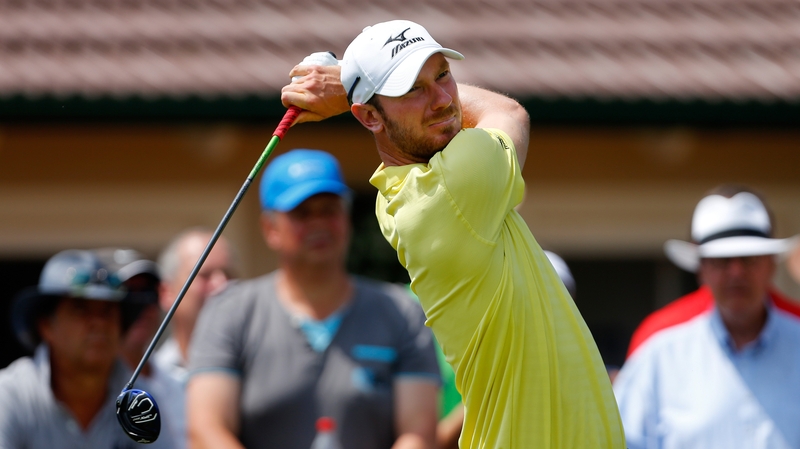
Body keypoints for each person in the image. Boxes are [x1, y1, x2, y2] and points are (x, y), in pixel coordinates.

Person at [280, 19, 624, 449]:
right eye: (413, 88)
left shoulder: (401, 191)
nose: (442, 99)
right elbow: (509, 112)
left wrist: (354, 80)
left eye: (443, 74)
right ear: (369, 116)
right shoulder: (451, 190)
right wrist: (347, 81)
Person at [186, 149, 441, 449]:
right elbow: (206, 430)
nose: (319, 223)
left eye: (329, 210)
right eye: (302, 213)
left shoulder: (401, 313)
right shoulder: (230, 312)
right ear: (270, 229)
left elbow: (419, 432)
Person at [613, 185, 800, 449]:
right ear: (700, 270)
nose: (736, 273)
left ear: (771, 263)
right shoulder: (658, 359)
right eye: (721, 260)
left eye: (748, 258)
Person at [0, 249, 175, 448]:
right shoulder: (10, 396)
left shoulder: (142, 399)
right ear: (46, 326)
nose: (98, 323)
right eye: (80, 309)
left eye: (108, 311)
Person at [95, 246, 188, 449]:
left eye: (148, 292)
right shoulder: (84, 391)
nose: (142, 305)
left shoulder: (181, 384)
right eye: (127, 294)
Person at [153, 227, 235, 382]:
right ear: (166, 292)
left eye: (229, 274)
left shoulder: (260, 369)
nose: (222, 285)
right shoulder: (149, 382)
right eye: (204, 275)